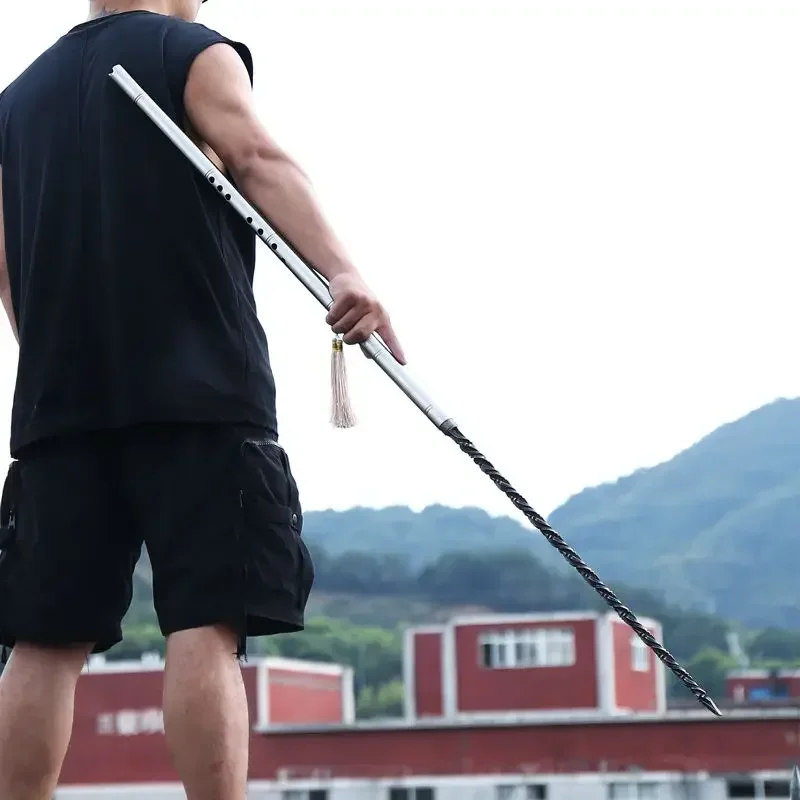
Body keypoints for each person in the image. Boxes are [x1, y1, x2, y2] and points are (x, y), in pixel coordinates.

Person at [0, 1, 407, 798]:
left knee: (43, 638)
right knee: (208, 620)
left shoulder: (15, 100)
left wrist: (53, 355)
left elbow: (7, 267)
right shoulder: (190, 51)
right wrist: (343, 270)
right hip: (200, 390)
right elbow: (258, 157)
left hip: (59, 404)